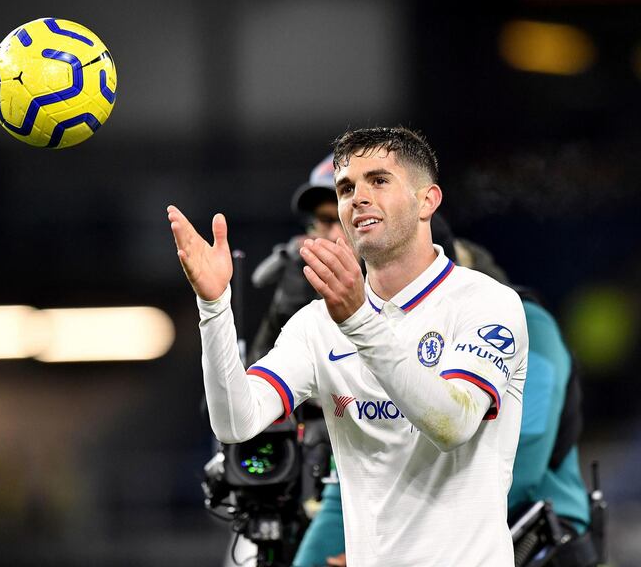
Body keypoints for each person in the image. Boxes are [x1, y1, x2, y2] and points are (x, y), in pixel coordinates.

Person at [167, 126, 528, 566]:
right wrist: (214, 306)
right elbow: (235, 423)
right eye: (346, 187)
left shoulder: (486, 302)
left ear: (427, 201)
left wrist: (358, 319)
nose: (357, 197)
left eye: (379, 181)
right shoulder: (317, 324)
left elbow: (452, 424)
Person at [293, 218, 595, 567]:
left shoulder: (525, 324)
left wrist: (402, 547)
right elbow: (349, 486)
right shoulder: (382, 334)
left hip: (535, 539)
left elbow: (520, 463)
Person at [249, 153, 343, 362]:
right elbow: (257, 378)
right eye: (326, 220)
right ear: (312, 225)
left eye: (344, 219)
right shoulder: (298, 270)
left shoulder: (390, 282)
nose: (336, 234)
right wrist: (282, 315)